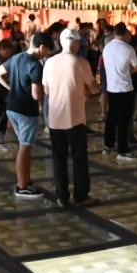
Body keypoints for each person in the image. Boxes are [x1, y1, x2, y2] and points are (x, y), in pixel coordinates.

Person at [42, 28, 101, 208]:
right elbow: (94, 88)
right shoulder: (80, 62)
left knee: (59, 158)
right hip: (75, 119)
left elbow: (46, 90)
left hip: (55, 119)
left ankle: (62, 196)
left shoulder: (49, 63)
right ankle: (81, 195)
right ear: (75, 43)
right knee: (79, 158)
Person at [0, 32, 53, 198]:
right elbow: (36, 95)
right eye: (47, 51)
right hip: (26, 110)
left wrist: (11, 88)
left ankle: (25, 179)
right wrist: (48, 92)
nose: (47, 54)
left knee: (24, 146)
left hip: (12, 107)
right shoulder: (36, 66)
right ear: (41, 47)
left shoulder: (17, 58)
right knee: (25, 147)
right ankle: (21, 186)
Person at [101, 23, 137, 162]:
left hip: (112, 87)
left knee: (112, 117)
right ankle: (122, 150)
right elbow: (135, 68)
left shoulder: (107, 47)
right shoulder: (129, 49)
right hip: (125, 88)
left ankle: (108, 144)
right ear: (125, 34)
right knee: (124, 119)